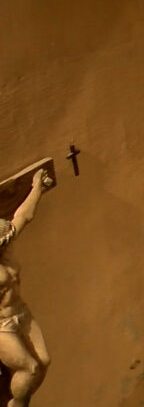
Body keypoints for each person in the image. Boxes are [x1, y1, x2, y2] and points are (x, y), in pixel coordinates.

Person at [0, 170, 50, 407]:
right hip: (2, 326)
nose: (7, 242)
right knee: (30, 368)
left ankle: (19, 398)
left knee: (44, 361)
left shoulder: (6, 247)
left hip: (22, 312)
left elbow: (24, 216)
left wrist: (37, 186)